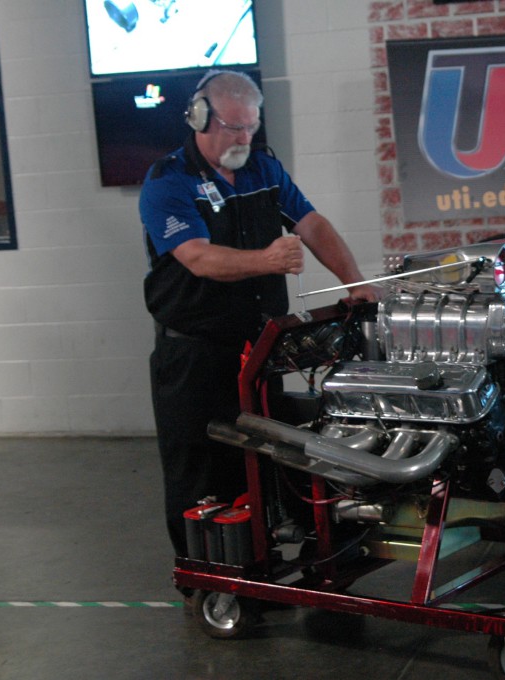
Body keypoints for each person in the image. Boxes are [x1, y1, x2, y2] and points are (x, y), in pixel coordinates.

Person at [138, 69, 377, 565]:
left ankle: (280, 556)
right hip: (194, 354)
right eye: (232, 127)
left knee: (269, 455)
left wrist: (355, 282)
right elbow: (198, 258)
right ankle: (205, 573)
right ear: (199, 117)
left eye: (251, 127)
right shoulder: (168, 181)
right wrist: (267, 261)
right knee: (200, 471)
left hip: (258, 346)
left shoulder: (262, 168)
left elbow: (311, 223)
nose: (243, 138)